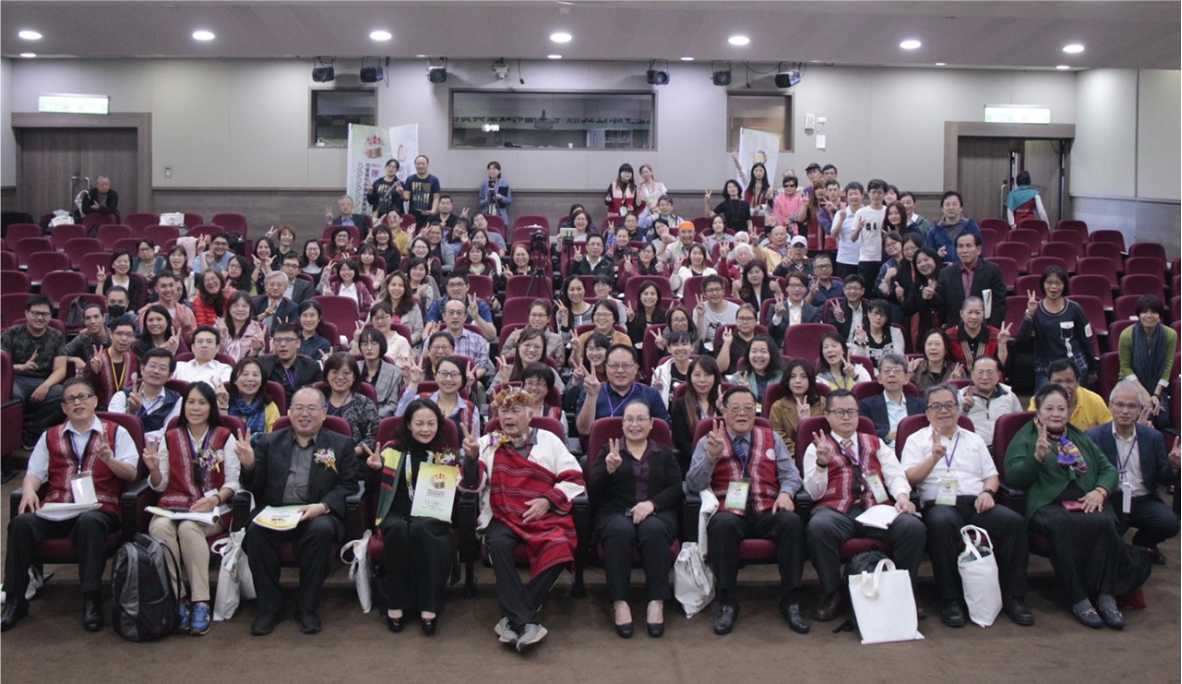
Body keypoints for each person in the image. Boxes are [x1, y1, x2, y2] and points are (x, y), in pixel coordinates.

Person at [2, 378, 139, 632]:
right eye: (71, 399)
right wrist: (29, 490)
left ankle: (91, 599)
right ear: (64, 408)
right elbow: (34, 472)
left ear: (95, 401)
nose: (77, 403)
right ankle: (14, 601)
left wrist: (110, 460)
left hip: (99, 509)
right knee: (21, 524)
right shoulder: (50, 435)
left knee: (89, 523)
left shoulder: (117, 432)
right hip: (57, 508)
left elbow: (131, 474)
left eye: (83, 397)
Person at [900, 384, 1033, 628]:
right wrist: (934, 457)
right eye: (936, 406)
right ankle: (950, 600)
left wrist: (988, 492)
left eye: (949, 405)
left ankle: (1014, 598)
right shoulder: (916, 440)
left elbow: (991, 475)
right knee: (942, 523)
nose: (943, 411)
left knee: (1014, 523)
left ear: (958, 408)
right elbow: (909, 479)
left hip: (975, 502)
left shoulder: (974, 439)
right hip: (939, 504)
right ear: (927, 412)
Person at [463, 387, 584, 653]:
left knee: (561, 546)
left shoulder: (549, 440)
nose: (508, 417)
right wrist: (471, 459)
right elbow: (473, 484)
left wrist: (547, 501)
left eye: (516, 410)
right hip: (503, 516)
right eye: (504, 411)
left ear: (530, 414)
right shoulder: (487, 442)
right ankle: (525, 621)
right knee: (498, 544)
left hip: (544, 515)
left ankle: (514, 618)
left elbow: (574, 477)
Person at [685, 387, 809, 635]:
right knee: (722, 525)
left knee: (792, 522)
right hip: (729, 510)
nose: (742, 414)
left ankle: (791, 600)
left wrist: (786, 493)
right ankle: (727, 602)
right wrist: (711, 458)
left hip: (767, 507)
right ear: (723, 411)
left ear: (756, 411)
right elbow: (693, 485)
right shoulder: (709, 440)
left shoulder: (772, 438)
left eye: (748, 409)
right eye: (735, 409)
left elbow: (792, 476)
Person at [238, 387, 358, 635]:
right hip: (276, 513)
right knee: (256, 532)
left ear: (324, 413)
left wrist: (323, 506)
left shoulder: (341, 444)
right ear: (289, 413)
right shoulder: (269, 442)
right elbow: (254, 486)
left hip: (316, 513)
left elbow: (349, 485)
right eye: (299, 408)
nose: (305, 414)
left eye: (312, 408)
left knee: (322, 530)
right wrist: (249, 466)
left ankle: (307, 608)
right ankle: (269, 608)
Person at [1004, 383, 1124, 629]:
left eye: (1061, 409)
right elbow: (1014, 478)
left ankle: (1105, 595)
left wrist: (1100, 491)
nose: (1056, 414)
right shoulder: (1026, 437)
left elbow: (1108, 469)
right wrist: (1036, 458)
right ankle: (1079, 598)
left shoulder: (1079, 436)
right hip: (1047, 504)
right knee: (1062, 525)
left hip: (1084, 500)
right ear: (1038, 411)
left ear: (1069, 412)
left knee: (1106, 521)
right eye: (1049, 408)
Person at [802, 389, 925, 622]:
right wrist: (821, 464)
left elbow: (895, 475)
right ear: (827, 415)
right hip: (837, 511)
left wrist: (902, 496)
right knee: (818, 527)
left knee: (912, 527)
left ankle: (906, 591)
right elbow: (813, 492)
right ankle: (832, 593)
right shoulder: (816, 447)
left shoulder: (875, 442)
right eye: (839, 412)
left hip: (876, 509)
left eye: (851, 411)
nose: (846, 417)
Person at [144, 382, 242, 635]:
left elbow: (233, 482)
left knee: (189, 528)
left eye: (202, 402)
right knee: (160, 528)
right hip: (173, 504)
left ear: (211, 407)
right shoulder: (170, 437)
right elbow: (160, 484)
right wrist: (153, 470)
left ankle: (200, 602)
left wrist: (215, 499)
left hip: (212, 508)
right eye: (190, 402)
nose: (195, 408)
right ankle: (178, 598)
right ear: (183, 405)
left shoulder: (224, 436)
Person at [365, 398, 461, 635]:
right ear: (408, 424)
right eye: (419, 423)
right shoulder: (392, 450)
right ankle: (395, 603)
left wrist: (460, 476)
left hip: (431, 515)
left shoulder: (445, 454)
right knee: (398, 530)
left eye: (431, 423)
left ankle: (429, 606)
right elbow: (373, 489)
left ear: (438, 425)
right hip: (396, 512)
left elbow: (458, 494)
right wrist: (374, 470)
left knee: (422, 529)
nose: (425, 429)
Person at [587, 401, 682, 638]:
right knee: (620, 531)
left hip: (656, 512)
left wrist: (652, 504)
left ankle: (656, 601)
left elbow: (676, 489)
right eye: (629, 419)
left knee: (653, 530)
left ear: (651, 424)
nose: (634, 424)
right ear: (622, 424)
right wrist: (608, 470)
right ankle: (620, 602)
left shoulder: (664, 453)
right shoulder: (609, 451)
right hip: (615, 512)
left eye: (641, 419)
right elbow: (593, 491)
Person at [1087, 380, 1180, 564]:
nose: (1125, 411)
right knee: (1107, 542)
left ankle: (1142, 544)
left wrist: (1173, 465)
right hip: (1110, 499)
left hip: (1142, 498)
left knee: (1169, 523)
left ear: (1139, 410)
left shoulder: (1152, 437)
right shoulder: (1094, 437)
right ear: (1110, 406)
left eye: (1131, 406)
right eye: (1119, 405)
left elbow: (1164, 478)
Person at [1, 295, 67, 447]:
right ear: (26, 313)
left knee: (65, 395)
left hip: (43, 380)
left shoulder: (56, 336)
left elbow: (60, 369)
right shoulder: (11, 333)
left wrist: (46, 386)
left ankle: (30, 431)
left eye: (44, 314)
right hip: (15, 378)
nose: (40, 318)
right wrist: (20, 367)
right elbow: (1, 365)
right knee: (12, 396)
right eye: (35, 313)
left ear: (50, 316)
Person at [575, 345, 671, 436]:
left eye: (626, 366)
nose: (620, 370)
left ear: (636, 368)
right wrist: (592, 396)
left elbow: (664, 431)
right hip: (601, 447)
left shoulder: (650, 394)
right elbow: (584, 430)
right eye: (614, 366)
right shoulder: (591, 390)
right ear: (605, 367)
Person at [1118, 295, 1177, 425]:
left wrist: (1156, 395)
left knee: (1161, 418)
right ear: (1139, 315)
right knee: (1134, 415)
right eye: (1145, 312)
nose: (1149, 316)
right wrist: (1143, 393)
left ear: (1160, 315)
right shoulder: (1126, 335)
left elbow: (1167, 367)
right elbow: (1125, 368)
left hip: (1157, 386)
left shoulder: (1171, 335)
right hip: (1130, 384)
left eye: (1154, 312)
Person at [396, 355, 481, 438]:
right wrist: (414, 383)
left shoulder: (471, 409)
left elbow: (475, 440)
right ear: (435, 376)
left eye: (454, 374)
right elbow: (399, 417)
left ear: (462, 379)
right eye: (444, 373)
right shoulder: (421, 400)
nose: (448, 379)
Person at [108, 347, 182, 442]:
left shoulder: (177, 401)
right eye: (152, 366)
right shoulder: (121, 396)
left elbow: (167, 432)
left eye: (162, 368)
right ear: (142, 369)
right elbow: (114, 429)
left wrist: (142, 438)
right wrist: (130, 412)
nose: (156, 371)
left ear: (170, 375)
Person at [934, 232, 1007, 328]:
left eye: (968, 246)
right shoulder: (945, 273)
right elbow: (941, 305)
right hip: (955, 329)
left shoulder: (992, 270)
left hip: (984, 328)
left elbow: (999, 304)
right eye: (960, 246)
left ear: (978, 250)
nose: (964, 250)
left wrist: (990, 328)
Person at [859, 353, 925, 448]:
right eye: (887, 371)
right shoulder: (866, 405)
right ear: (879, 378)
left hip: (916, 450)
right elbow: (864, 434)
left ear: (906, 378)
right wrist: (888, 436)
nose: (891, 374)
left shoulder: (920, 405)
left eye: (897, 371)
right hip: (883, 451)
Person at [668, 355, 722, 472]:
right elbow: (681, 443)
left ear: (715, 377)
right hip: (693, 463)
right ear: (690, 377)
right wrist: (706, 458)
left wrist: (723, 410)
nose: (702, 380)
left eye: (707, 375)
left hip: (723, 460)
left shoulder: (723, 402)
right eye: (697, 375)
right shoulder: (680, 405)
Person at [957, 356, 1023, 450]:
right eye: (980, 372)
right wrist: (964, 409)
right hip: (971, 449)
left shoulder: (1009, 396)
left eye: (990, 372)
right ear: (972, 375)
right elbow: (949, 426)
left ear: (998, 375)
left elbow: (1020, 424)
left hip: (1005, 449)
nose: (985, 377)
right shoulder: (959, 397)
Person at [322, 352, 379, 457]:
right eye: (335, 372)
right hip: (318, 456)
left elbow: (372, 437)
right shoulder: (317, 400)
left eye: (346, 373)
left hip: (352, 458)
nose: (340, 377)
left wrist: (352, 452)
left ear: (354, 377)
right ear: (327, 375)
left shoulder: (365, 404)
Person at [769, 359, 825, 455]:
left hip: (820, 453)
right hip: (790, 456)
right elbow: (778, 438)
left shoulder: (823, 403)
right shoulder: (778, 407)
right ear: (787, 380)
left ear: (810, 380)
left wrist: (807, 422)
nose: (798, 381)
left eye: (803, 377)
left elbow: (827, 434)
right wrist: (800, 454)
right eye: (793, 376)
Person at [257, 324, 323, 402]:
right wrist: (255, 352)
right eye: (278, 340)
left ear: (298, 343)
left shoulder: (312, 367)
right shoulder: (262, 364)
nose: (282, 344)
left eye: (288, 340)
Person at [83, 315, 137, 407]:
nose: (124, 338)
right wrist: (94, 372)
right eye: (119, 334)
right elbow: (86, 390)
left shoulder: (133, 358)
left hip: (127, 410)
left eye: (129, 335)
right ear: (111, 335)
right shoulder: (97, 360)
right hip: (101, 411)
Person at [217, 357, 281, 434]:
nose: (250, 379)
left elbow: (275, 438)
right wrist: (223, 407)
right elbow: (220, 435)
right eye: (245, 374)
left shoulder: (270, 407)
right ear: (234, 380)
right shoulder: (225, 402)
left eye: (255, 375)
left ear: (262, 381)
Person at [945, 296, 1011, 370]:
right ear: (961, 314)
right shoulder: (949, 335)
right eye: (970, 312)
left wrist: (1002, 345)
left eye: (978, 313)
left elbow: (1001, 365)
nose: (974, 317)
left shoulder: (996, 334)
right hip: (958, 376)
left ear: (983, 314)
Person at [356, 327, 404, 419]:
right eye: (365, 344)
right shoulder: (353, 368)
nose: (369, 348)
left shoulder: (394, 372)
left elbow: (392, 405)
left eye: (374, 344)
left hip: (380, 418)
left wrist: (370, 416)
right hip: (353, 416)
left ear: (381, 345)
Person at [924, 191, 982, 265]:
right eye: (947, 204)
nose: (951, 208)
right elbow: (928, 256)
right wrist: (937, 255)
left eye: (954, 204)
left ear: (961, 208)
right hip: (943, 270)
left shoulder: (971, 226)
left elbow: (980, 251)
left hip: (968, 269)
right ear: (942, 209)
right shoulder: (934, 231)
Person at [768, 272, 822, 344]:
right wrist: (778, 316)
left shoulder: (814, 311)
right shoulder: (774, 308)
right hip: (781, 348)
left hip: (805, 347)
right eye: (793, 286)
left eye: (800, 286)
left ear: (806, 289)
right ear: (786, 288)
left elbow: (815, 337)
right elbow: (770, 333)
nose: (797, 289)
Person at [851, 178, 887, 286]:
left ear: (884, 194)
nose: (876, 195)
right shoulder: (861, 212)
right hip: (866, 258)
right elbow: (853, 238)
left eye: (879, 192)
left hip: (884, 257)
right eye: (873, 192)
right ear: (868, 194)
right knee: (865, 289)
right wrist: (858, 229)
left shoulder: (888, 211)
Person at [725, 334, 782, 401]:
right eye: (754, 351)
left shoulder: (782, 377)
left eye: (763, 351)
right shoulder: (738, 378)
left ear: (772, 354)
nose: (758, 355)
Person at [141, 272, 197, 340]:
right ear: (156, 289)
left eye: (171, 285)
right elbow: (143, 338)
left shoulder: (186, 311)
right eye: (163, 286)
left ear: (175, 287)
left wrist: (187, 328)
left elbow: (194, 341)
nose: (168, 289)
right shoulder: (148, 311)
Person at [692, 275, 739, 354]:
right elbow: (700, 340)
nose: (714, 293)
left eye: (717, 289)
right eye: (710, 290)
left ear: (723, 291)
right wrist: (701, 316)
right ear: (704, 294)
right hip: (708, 351)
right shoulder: (699, 309)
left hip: (732, 347)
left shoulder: (736, 309)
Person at [217, 290, 266, 363]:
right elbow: (211, 354)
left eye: (244, 306)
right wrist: (221, 336)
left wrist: (256, 350)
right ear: (229, 308)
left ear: (250, 309)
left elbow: (263, 358)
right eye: (236, 306)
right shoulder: (218, 326)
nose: (240, 309)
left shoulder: (257, 328)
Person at [829, 181, 864, 278]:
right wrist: (841, 220)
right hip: (845, 259)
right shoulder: (840, 213)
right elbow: (833, 235)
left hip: (864, 259)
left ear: (862, 195)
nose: (853, 197)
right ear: (846, 197)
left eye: (856, 194)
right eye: (850, 194)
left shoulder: (867, 212)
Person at [404, 155, 440, 226]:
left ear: (427, 165)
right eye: (418, 164)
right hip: (413, 215)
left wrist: (433, 211)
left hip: (428, 215)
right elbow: (406, 197)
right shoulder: (410, 179)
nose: (420, 166)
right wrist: (401, 192)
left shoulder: (434, 180)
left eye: (423, 164)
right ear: (415, 165)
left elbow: (436, 197)